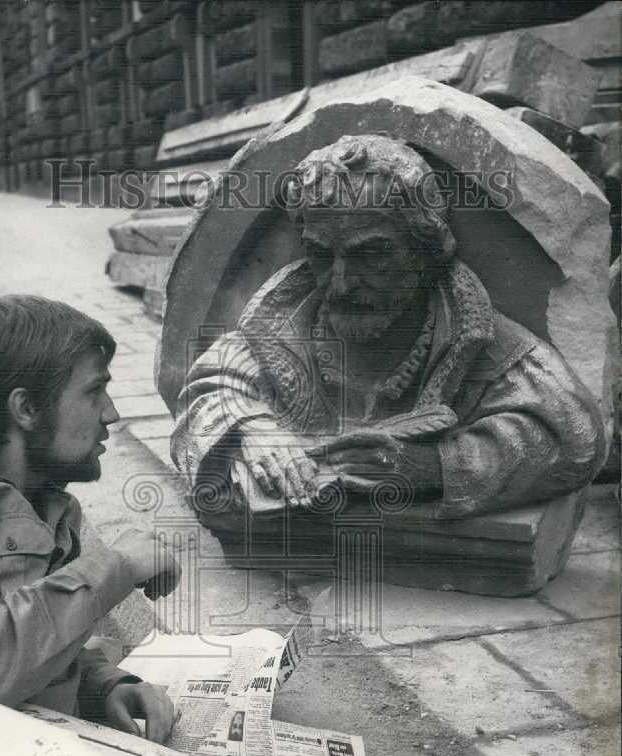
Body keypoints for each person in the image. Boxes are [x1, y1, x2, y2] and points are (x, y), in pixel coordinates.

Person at [171, 135, 605, 518]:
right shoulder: (277, 327)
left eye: (371, 256)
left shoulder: (492, 346)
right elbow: (205, 391)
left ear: (425, 250)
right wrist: (250, 429)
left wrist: (437, 466)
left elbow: (574, 440)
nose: (339, 285)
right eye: (322, 255)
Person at [0, 295, 181, 741]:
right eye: (94, 390)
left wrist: (105, 687)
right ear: (26, 409)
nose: (111, 413)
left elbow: (37, 651)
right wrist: (118, 566)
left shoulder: (50, 506)